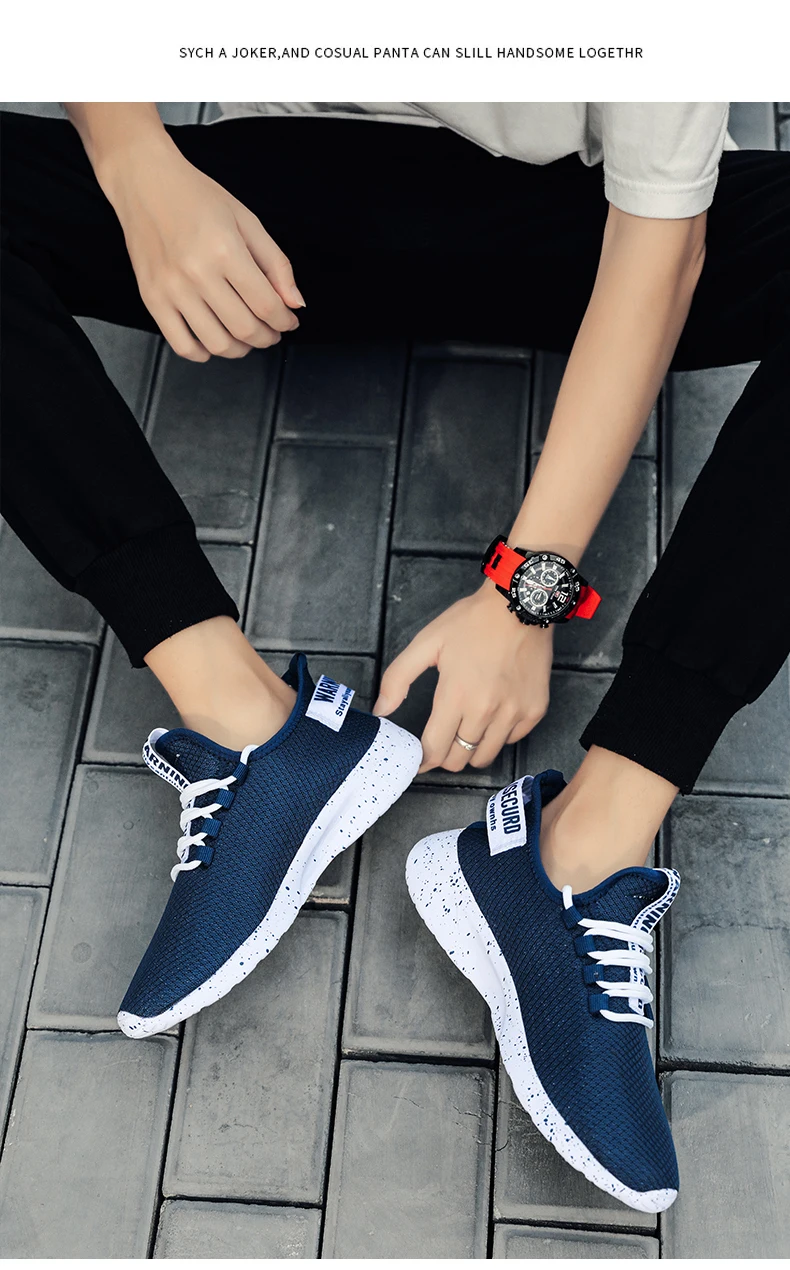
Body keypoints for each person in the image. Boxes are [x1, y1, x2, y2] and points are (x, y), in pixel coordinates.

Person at [1, 101, 788, 1212]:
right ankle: (249, 726)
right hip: (259, 220)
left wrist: (523, 592)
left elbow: (660, 251)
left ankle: (578, 853)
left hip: (572, 228)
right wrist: (133, 158)